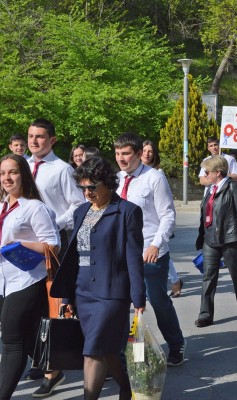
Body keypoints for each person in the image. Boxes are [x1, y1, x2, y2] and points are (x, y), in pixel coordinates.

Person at [50, 157, 145, 400]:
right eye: (83, 188)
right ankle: (126, 387)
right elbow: (73, 257)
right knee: (105, 350)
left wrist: (138, 298)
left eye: (92, 187)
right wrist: (67, 296)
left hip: (111, 294)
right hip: (83, 292)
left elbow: (133, 258)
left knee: (92, 351)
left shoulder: (127, 211)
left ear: (108, 184)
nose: (87, 193)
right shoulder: (81, 211)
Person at [114, 133, 186, 366]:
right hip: (122, 253)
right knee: (123, 303)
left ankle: (176, 344)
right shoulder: (116, 180)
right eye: (117, 154)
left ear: (137, 154)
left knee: (157, 301)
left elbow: (167, 215)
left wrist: (156, 244)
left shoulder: (153, 178)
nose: (121, 159)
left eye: (125, 154)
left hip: (149, 252)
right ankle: (130, 353)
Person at [27, 118, 85, 395]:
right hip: (24, 244)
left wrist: (54, 225)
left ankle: (54, 368)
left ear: (52, 140)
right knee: (28, 303)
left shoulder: (62, 169)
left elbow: (78, 204)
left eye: (40, 136)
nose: (34, 141)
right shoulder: (22, 166)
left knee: (53, 306)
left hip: (53, 244)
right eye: (31, 136)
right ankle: (40, 356)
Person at [0, 154, 60, 399]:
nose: (7, 178)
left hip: (27, 279)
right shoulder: (3, 206)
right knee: (29, 335)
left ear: (23, 174)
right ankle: (54, 366)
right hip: (4, 281)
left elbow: (53, 245)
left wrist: (19, 243)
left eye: (12, 172)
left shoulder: (34, 207)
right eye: (3, 173)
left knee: (12, 340)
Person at [194, 155, 237, 326]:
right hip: (210, 239)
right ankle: (205, 314)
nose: (205, 175)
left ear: (218, 173)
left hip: (230, 238)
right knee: (208, 276)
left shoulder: (233, 187)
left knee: (236, 275)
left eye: (207, 172)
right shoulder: (210, 189)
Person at [141, 139, 183, 298]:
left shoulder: (157, 174)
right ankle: (174, 281)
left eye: (150, 151)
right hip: (141, 226)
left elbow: (167, 203)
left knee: (161, 254)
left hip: (156, 224)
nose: (146, 154)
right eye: (144, 150)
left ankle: (175, 281)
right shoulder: (133, 174)